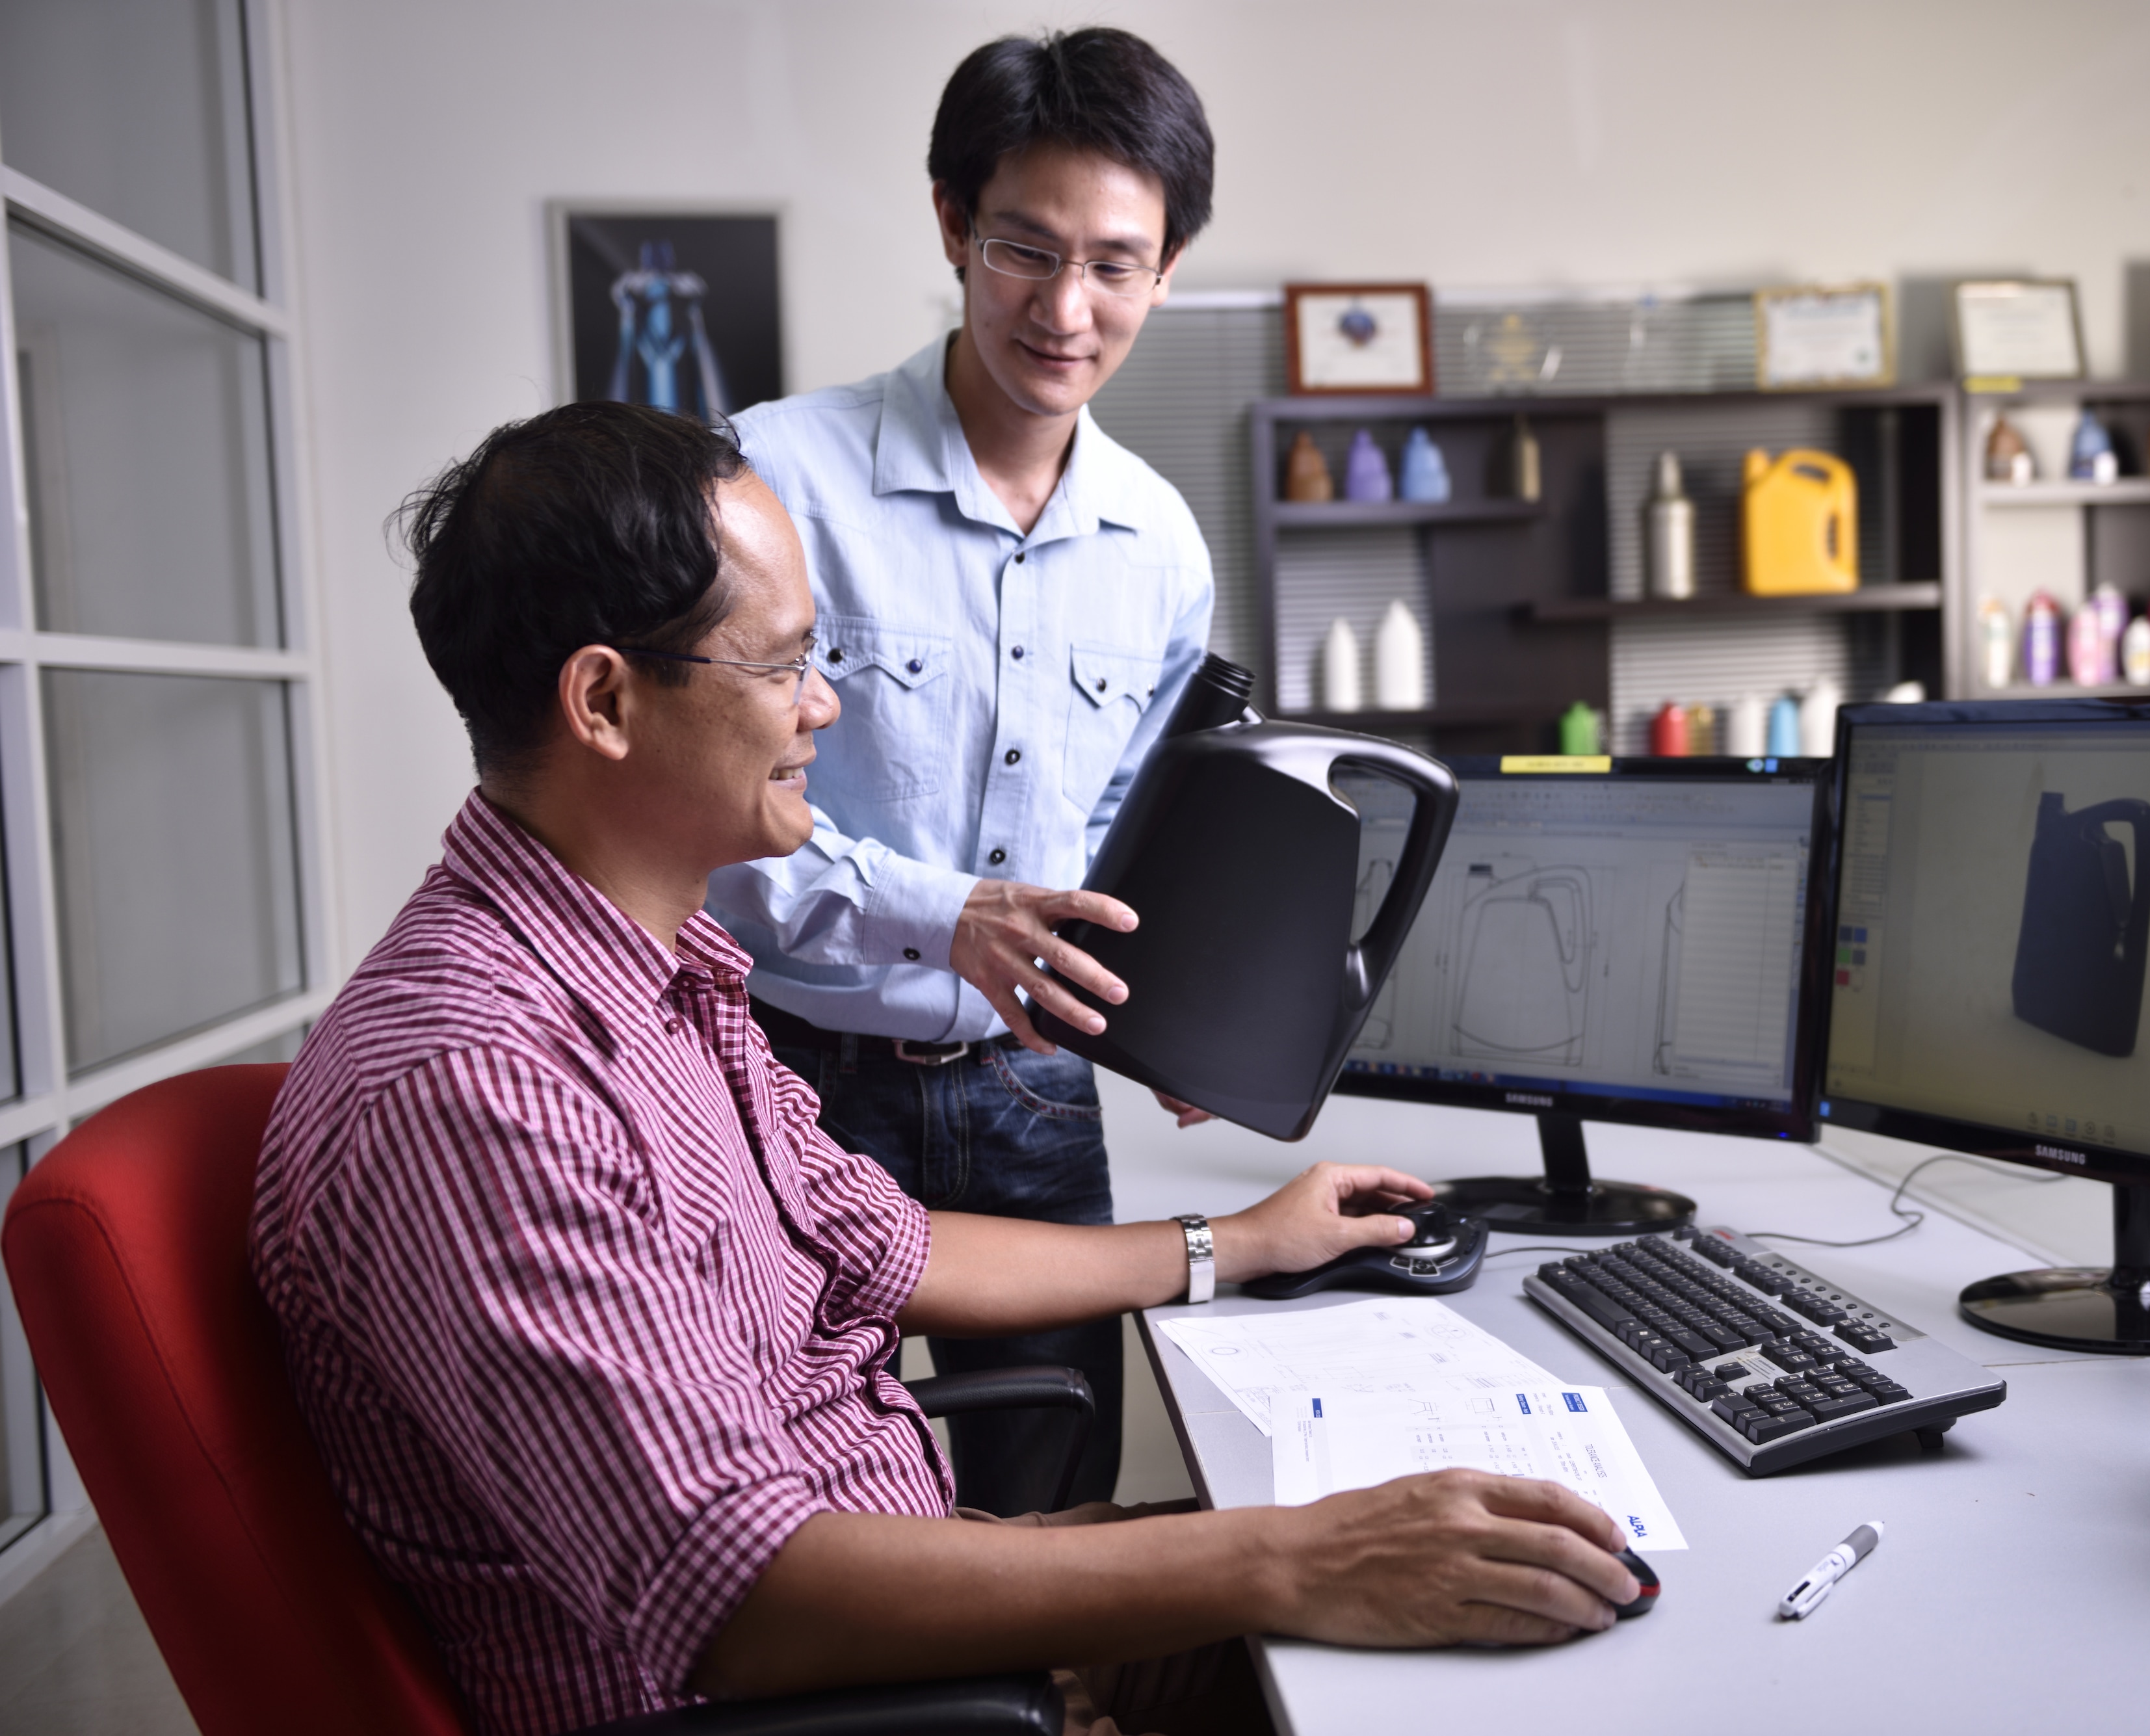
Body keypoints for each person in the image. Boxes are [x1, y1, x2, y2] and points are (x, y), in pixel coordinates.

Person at [254, 402, 1637, 1736]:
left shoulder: (659, 977)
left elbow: (888, 1245)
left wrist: (1242, 1242)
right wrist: (1291, 1560)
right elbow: (745, 1601)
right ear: (604, 700)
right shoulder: (477, 1085)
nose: (826, 708)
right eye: (784, 664)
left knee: (1524, 1592)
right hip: (842, 1699)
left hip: (928, 1615)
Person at [706, 26, 1218, 1515]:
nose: (1067, 310)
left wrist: (1178, 1004)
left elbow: (1129, 829)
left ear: (1168, 265)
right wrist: (952, 916)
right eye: (1024, 251)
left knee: (1053, 1498)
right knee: (793, 1493)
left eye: (1116, 264)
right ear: (952, 224)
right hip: (791, 1075)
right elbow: (706, 810)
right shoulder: (772, 481)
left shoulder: (1163, 546)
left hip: (1035, 1089)